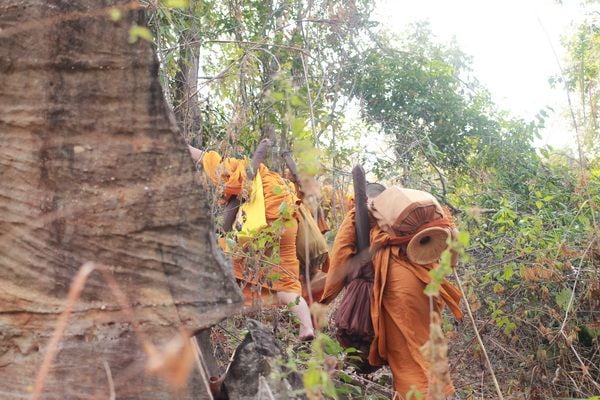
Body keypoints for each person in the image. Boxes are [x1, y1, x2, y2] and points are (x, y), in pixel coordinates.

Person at [321, 184, 463, 398]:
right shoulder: (410, 217)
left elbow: (341, 253)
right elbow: (452, 253)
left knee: (408, 354)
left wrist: (327, 296)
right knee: (426, 344)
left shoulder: (362, 213)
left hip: (398, 285)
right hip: (428, 281)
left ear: (367, 197)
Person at [188, 145, 315, 340]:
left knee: (221, 254)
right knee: (287, 282)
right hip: (287, 225)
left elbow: (212, 162)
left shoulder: (246, 168)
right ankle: (306, 326)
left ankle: (211, 309)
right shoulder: (285, 184)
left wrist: (185, 146)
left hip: (259, 226)